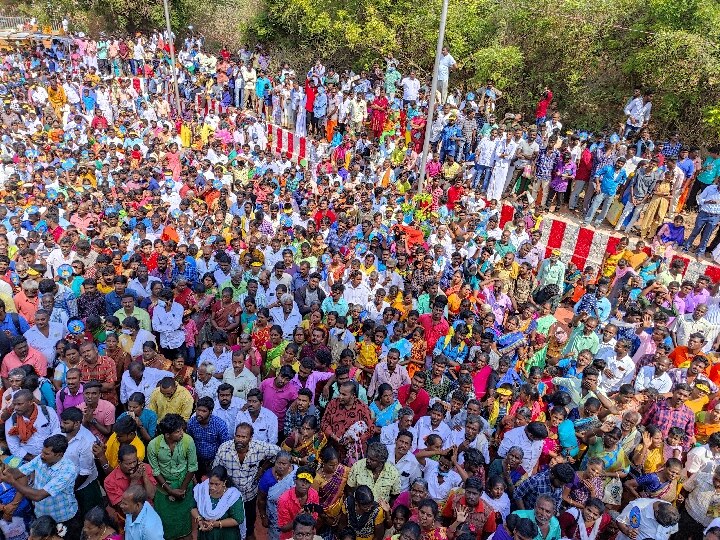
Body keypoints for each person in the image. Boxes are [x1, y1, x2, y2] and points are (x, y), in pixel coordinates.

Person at [213, 422, 281, 539]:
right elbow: (216, 471)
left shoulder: (259, 447)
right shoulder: (224, 449)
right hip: (230, 497)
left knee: (249, 527)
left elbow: (279, 452)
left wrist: (263, 468)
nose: (239, 440)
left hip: (250, 496)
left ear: (250, 438)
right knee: (231, 525)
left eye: (244, 437)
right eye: (237, 436)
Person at [0, 435, 79, 534]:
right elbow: (21, 471)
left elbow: (38, 496)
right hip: (41, 514)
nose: (42, 455)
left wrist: (12, 481)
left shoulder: (67, 471)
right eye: (42, 451)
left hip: (61, 518)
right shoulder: (41, 458)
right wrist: (5, 474)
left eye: (46, 453)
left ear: (59, 454)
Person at [147, 413, 198, 540]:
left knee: (185, 521)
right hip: (164, 487)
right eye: (178, 432)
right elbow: (156, 471)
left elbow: (192, 467)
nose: (181, 433)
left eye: (181, 430)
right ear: (167, 434)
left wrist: (182, 489)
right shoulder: (153, 445)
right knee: (165, 520)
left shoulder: (188, 441)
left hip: (184, 485)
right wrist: (169, 490)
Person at [191, 465, 246, 540]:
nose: (212, 487)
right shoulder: (202, 489)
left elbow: (238, 519)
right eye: (211, 483)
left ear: (224, 482)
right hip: (205, 534)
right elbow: (192, 507)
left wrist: (215, 524)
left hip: (225, 535)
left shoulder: (232, 496)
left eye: (217, 484)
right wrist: (200, 520)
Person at [258, 451, 297, 540]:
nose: (281, 466)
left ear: (290, 465)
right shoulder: (267, 477)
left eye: (284, 464)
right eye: (278, 463)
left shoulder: (296, 473)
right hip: (275, 516)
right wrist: (263, 516)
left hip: (293, 515)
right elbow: (261, 499)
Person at [277, 466, 320, 540]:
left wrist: (309, 517)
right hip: (290, 537)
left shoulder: (314, 494)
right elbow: (283, 528)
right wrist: (298, 518)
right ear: (295, 480)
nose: (304, 484)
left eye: (308, 481)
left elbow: (315, 520)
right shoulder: (284, 499)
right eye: (302, 480)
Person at [614, 498, 680, 540]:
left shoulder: (670, 514)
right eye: (661, 523)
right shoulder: (637, 507)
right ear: (656, 512)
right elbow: (620, 521)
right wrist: (626, 531)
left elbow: (670, 532)